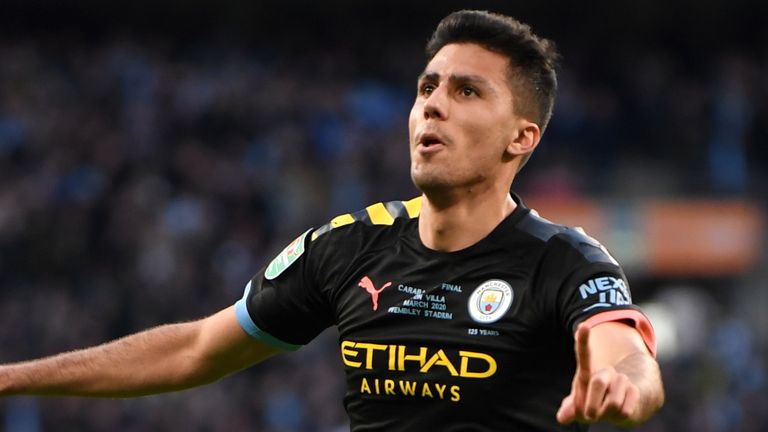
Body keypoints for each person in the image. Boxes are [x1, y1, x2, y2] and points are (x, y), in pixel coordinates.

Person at [0, 10, 664, 431]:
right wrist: (9, 378)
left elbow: (626, 356)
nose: (432, 106)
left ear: (522, 137)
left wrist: (623, 386)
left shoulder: (566, 260)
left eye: (466, 91)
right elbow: (195, 349)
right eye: (427, 86)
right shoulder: (349, 246)